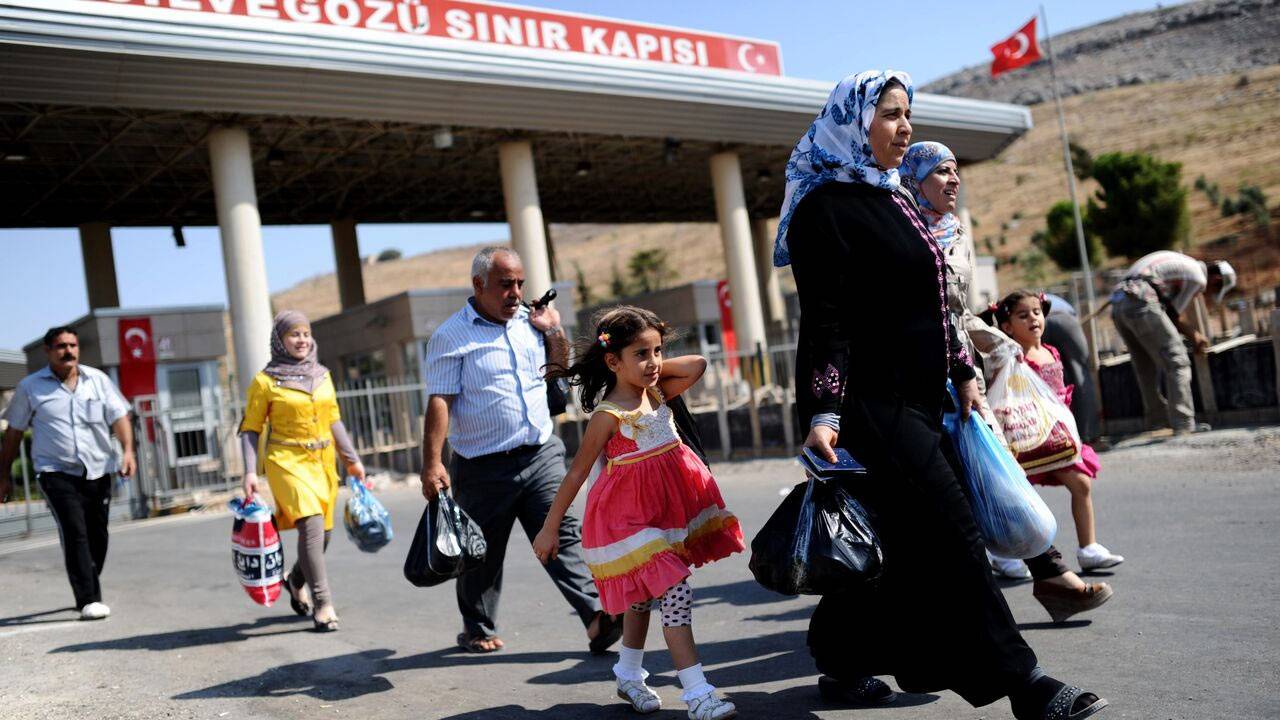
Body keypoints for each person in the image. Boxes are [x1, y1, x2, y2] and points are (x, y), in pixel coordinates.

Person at [775, 69, 1108, 718]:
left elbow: (935, 301)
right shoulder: (825, 209)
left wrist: (961, 372)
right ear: (853, 122)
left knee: (894, 543)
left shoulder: (893, 196)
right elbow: (828, 322)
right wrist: (823, 413)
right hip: (869, 409)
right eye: (891, 115)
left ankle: (842, 660)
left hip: (925, 403)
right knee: (953, 535)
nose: (904, 128)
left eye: (908, 116)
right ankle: (1027, 687)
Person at [901, 144, 1113, 619]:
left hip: (961, 383)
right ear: (913, 179)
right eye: (940, 172)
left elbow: (955, 314)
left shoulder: (954, 233)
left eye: (957, 170)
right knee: (950, 496)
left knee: (997, 477)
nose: (954, 180)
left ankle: (1050, 577)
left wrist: (996, 343)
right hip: (917, 387)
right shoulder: (900, 233)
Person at [535, 306, 744, 720]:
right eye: (641, 354)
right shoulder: (609, 416)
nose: (654, 362)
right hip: (626, 520)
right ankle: (697, 693)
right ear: (613, 361)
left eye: (658, 350)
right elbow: (576, 473)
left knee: (644, 597)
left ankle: (628, 673)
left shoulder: (659, 390)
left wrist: (646, 349)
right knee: (676, 589)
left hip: (665, 513)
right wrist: (549, 528)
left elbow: (698, 364)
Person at [419, 246, 621, 655]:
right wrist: (432, 462)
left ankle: (596, 618)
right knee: (483, 553)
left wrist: (554, 332)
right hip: (481, 465)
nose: (515, 293)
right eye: (505, 284)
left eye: (520, 284)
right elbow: (440, 401)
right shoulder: (451, 335)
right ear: (479, 285)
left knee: (560, 534)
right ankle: (477, 626)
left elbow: (558, 373)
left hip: (540, 453)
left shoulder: (530, 324)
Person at [239, 311, 365, 632]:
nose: (302, 340)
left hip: (322, 462)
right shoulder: (265, 381)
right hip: (285, 460)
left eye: (306, 333)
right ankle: (323, 603)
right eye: (294, 334)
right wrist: (250, 471)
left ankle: (295, 580)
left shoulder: (322, 375)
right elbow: (251, 428)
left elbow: (333, 419)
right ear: (279, 341)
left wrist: (352, 460)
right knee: (309, 523)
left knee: (323, 535)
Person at [0, 326, 134, 621]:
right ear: (48, 351)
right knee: (75, 531)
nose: (68, 351)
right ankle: (88, 598)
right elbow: (14, 433)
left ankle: (86, 576)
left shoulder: (97, 380)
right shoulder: (30, 388)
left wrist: (127, 451)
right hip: (55, 471)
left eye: (73, 345)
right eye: (61, 346)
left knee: (98, 535)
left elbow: (119, 416)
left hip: (98, 469)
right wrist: (3, 474)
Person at [990, 291, 1125, 577]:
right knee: (1016, 498)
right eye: (1023, 315)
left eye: (1037, 312)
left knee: (1081, 484)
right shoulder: (1010, 357)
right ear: (1007, 326)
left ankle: (1088, 548)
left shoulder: (1051, 351)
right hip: (1024, 438)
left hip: (1057, 437)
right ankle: (1005, 554)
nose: (1033, 319)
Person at [1110, 251, 1236, 434]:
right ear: (1216, 280)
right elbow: (1173, 315)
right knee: (1178, 361)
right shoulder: (1198, 278)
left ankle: (1157, 422)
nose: (1205, 294)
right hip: (1140, 300)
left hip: (1118, 304)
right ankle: (1183, 423)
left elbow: (1167, 310)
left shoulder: (1181, 263)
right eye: (1214, 290)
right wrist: (1195, 337)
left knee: (1145, 366)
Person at [1040, 294, 1103, 445]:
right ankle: (1089, 435)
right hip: (1064, 320)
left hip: (1036, 323)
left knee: (1044, 379)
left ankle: (1058, 438)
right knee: (1080, 373)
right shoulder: (1062, 304)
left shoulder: (1030, 301)